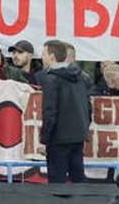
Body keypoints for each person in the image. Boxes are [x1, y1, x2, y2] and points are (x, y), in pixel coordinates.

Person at [38, 38, 91, 183]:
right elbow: (88, 106)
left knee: (57, 182)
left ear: (52, 56)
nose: (42, 57)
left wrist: (44, 140)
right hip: (78, 135)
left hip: (58, 138)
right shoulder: (81, 77)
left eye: (43, 54)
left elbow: (50, 111)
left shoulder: (50, 79)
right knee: (78, 178)